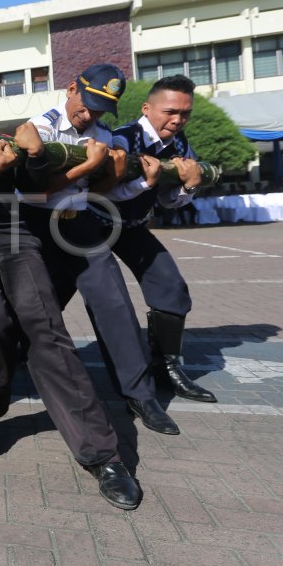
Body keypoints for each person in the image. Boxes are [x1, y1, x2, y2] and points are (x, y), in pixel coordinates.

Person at [0, 58, 141, 509]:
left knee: (47, 331)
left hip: (16, 238)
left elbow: (35, 187)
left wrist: (36, 154)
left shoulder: (5, 136)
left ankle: (104, 455)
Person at [23, 64, 180, 436]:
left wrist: (130, 177)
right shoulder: (40, 127)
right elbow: (34, 192)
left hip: (80, 223)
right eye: (88, 103)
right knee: (27, 310)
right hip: (36, 224)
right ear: (71, 87)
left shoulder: (105, 134)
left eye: (100, 108)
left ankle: (140, 394)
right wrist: (91, 164)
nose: (90, 114)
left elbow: (103, 193)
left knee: (115, 302)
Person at [101, 74, 216, 402]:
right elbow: (106, 190)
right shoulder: (122, 138)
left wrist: (188, 185)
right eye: (170, 112)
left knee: (170, 285)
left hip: (133, 227)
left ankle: (166, 367)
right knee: (49, 296)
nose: (178, 119)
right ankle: (6, 359)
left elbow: (168, 202)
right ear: (147, 108)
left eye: (185, 113)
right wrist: (147, 183)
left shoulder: (181, 144)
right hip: (91, 227)